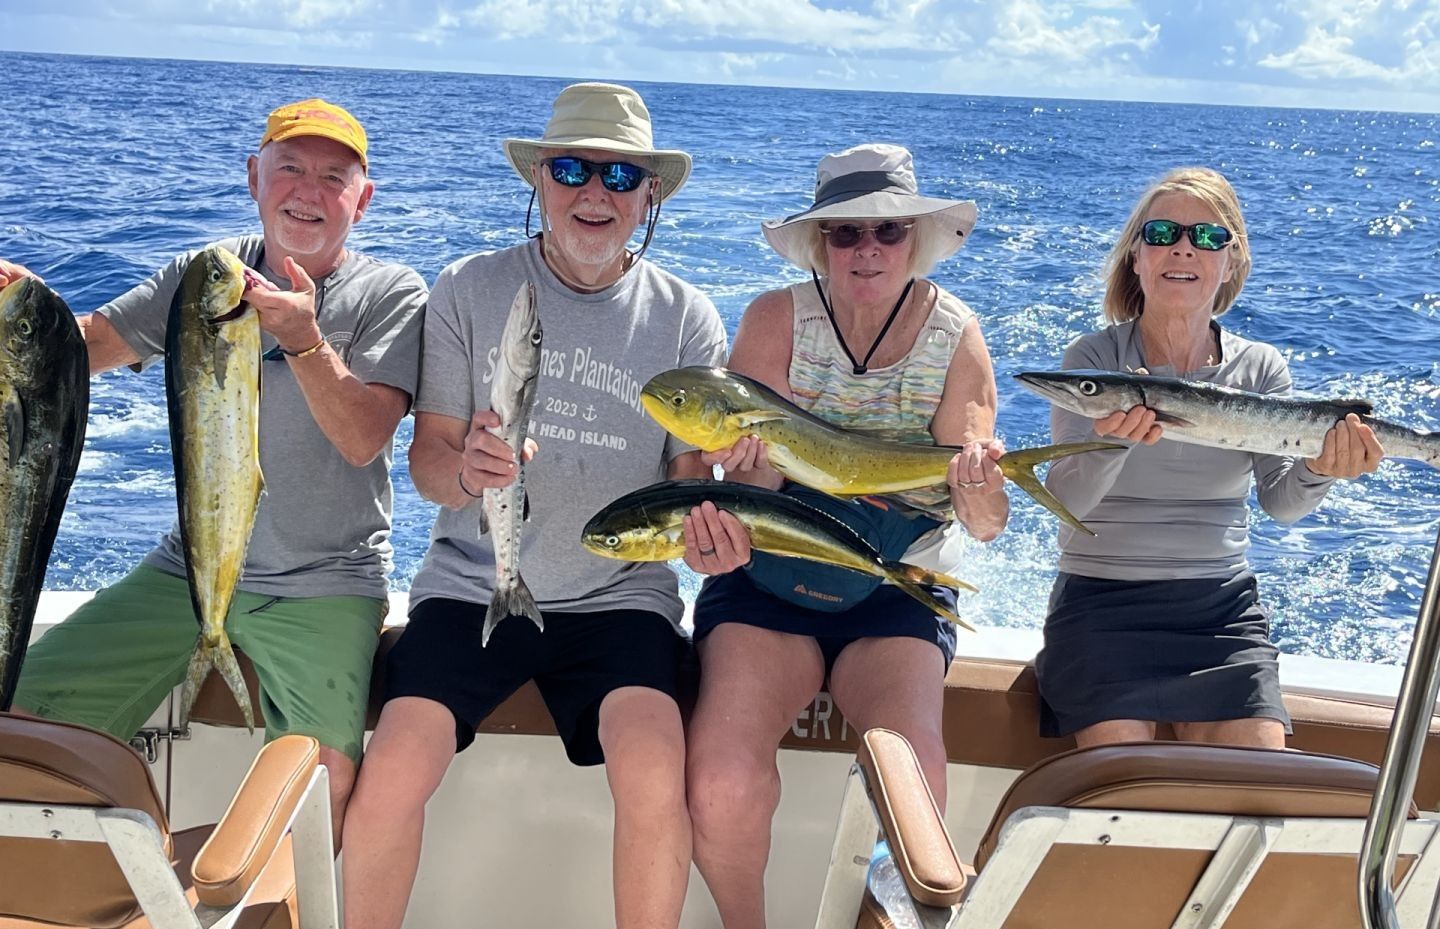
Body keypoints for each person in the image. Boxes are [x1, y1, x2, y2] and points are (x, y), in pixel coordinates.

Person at [340, 82, 728, 929]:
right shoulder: (468, 288)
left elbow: (689, 480)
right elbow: (429, 465)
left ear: (649, 194)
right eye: (572, 169)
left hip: (620, 596)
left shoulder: (687, 317)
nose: (595, 192)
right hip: (473, 583)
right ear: (539, 180)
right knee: (391, 774)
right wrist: (470, 472)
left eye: (620, 175)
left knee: (655, 776)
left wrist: (711, 535)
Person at [10, 98, 426, 838]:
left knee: (323, 779)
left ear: (363, 200)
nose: (307, 191)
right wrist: (19, 306)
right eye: (289, 168)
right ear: (254, 177)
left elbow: (364, 436)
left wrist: (305, 342)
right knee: (20, 724)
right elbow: (87, 347)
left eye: (334, 178)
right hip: (187, 568)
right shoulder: (204, 275)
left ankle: (255, 888)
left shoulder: (390, 293)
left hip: (323, 581)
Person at [682, 142, 1009, 929]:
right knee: (722, 779)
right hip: (770, 577)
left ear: (914, 239)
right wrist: (746, 477)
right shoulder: (775, 319)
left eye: (887, 230)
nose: (867, 248)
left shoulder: (956, 334)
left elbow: (986, 524)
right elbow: (754, 492)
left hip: (895, 588)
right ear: (820, 242)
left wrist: (982, 490)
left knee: (915, 776)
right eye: (845, 232)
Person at [1035, 166, 1383, 749]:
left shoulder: (1261, 367)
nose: (1183, 249)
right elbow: (1066, 499)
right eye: (1162, 233)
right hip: (1100, 603)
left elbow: (1282, 504)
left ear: (1231, 260)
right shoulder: (1093, 360)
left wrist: (1320, 469)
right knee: (1125, 776)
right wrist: (1117, 440)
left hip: (1221, 614)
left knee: (1254, 777)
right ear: (1136, 257)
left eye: (1207, 237)